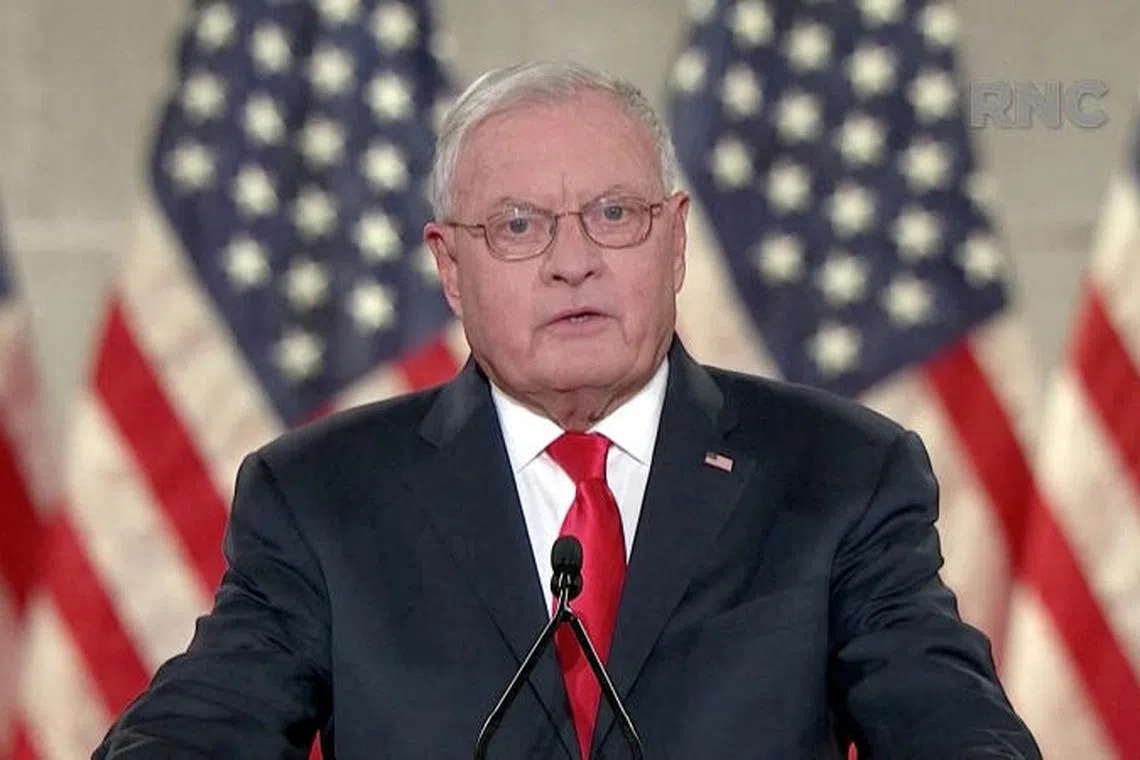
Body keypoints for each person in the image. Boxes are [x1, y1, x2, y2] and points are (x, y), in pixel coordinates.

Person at [93, 61, 1041, 759]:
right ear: (448, 268)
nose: (572, 259)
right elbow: (205, 725)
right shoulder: (321, 497)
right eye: (518, 226)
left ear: (675, 243)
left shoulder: (840, 476)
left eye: (614, 215)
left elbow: (946, 723)